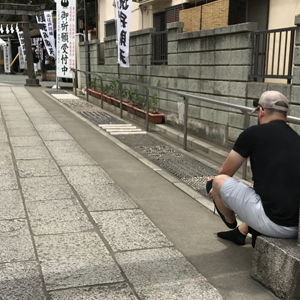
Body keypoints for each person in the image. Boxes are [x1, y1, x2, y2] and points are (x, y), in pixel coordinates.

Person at [206, 91, 300, 247]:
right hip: (295, 226)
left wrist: (216, 192)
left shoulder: (253, 133)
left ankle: (231, 222)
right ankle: (240, 233)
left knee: (216, 182)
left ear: (261, 111)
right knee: (256, 186)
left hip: (274, 223)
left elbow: (224, 173)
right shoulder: (297, 139)